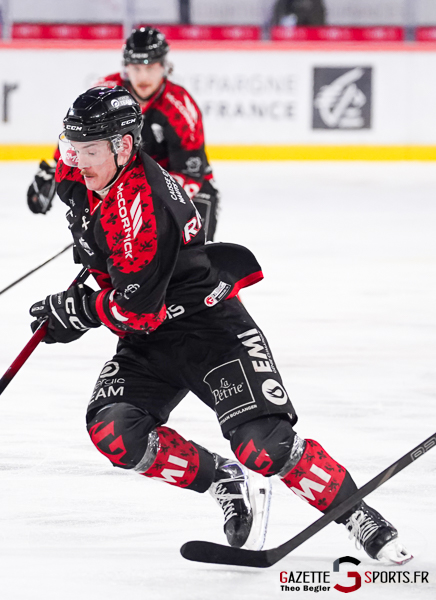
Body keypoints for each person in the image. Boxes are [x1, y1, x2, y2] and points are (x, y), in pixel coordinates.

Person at [27, 85, 412, 562]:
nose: (77, 161)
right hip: (151, 343)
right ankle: (220, 478)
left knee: (265, 449)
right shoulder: (82, 169)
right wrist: (78, 290)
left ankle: (356, 513)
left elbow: (137, 308)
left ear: (124, 146)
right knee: (115, 432)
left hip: (210, 333)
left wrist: (80, 311)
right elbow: (103, 253)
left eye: (88, 151)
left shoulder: (144, 207)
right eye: (72, 148)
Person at [27, 26, 221, 242]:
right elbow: (80, 135)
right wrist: (56, 168)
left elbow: (191, 174)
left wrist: (151, 200)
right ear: (126, 67)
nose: (143, 76)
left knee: (194, 259)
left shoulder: (180, 109)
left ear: (165, 67)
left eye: (151, 67)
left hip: (179, 186)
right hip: (126, 181)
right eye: (136, 68)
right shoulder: (106, 92)